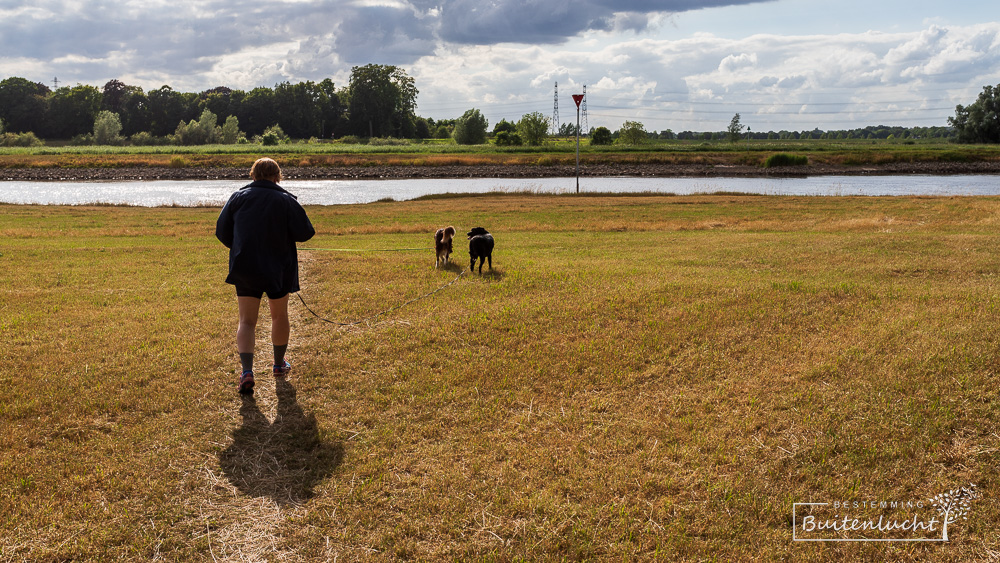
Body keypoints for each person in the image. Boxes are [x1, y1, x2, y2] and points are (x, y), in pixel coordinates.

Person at [216, 158, 315, 395]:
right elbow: (305, 233)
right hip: (278, 267)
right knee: (279, 316)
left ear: (253, 175)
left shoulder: (237, 198)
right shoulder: (286, 200)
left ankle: (247, 372)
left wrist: (239, 247)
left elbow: (221, 231)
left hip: (245, 266)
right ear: (277, 176)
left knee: (246, 321)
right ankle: (279, 366)